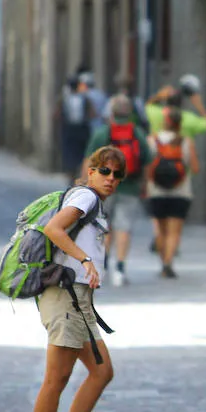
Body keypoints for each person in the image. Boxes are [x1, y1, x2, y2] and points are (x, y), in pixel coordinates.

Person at [23, 146, 123, 412]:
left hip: (77, 298)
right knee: (56, 379)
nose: (111, 179)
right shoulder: (85, 197)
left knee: (102, 371)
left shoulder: (93, 203)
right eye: (105, 171)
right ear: (91, 170)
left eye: (117, 174)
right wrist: (84, 259)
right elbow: (54, 229)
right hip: (65, 295)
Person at [84, 94, 151, 286]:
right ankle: (120, 267)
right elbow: (147, 161)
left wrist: (86, 184)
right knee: (124, 227)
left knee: (105, 225)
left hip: (104, 189)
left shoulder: (102, 133)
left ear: (111, 113)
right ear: (130, 114)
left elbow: (89, 159)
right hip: (130, 186)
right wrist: (144, 185)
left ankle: (103, 264)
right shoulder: (137, 134)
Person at [145, 107, 199, 279]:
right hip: (181, 192)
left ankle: (163, 263)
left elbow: (146, 167)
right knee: (174, 231)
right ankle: (169, 263)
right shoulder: (186, 141)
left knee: (160, 231)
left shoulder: (152, 140)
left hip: (156, 191)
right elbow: (196, 168)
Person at [59, 73, 98, 183]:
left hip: (70, 130)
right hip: (81, 129)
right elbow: (93, 113)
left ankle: (72, 175)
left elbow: (56, 114)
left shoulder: (64, 99)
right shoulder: (84, 99)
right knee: (82, 152)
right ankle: (78, 174)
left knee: (70, 153)